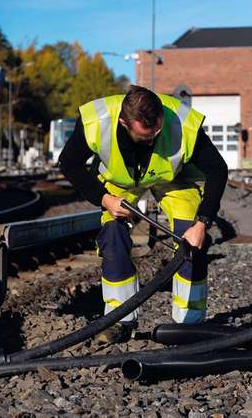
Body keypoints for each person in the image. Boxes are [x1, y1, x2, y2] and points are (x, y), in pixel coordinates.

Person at [59, 85, 228, 342]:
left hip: (174, 179)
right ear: (124, 122)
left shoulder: (183, 123)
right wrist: (104, 198)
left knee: (192, 238)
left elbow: (218, 169)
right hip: (120, 184)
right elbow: (69, 163)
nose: (151, 141)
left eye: (156, 134)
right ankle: (119, 320)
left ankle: (189, 324)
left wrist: (202, 223)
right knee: (113, 235)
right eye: (144, 137)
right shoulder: (96, 121)